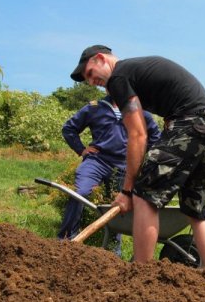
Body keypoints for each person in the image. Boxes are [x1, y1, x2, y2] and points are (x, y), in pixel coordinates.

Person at [70, 45, 205, 269]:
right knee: (196, 208)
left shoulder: (118, 77)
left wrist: (127, 191)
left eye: (90, 74)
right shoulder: (135, 71)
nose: (92, 82)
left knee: (144, 194)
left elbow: (138, 134)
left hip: (189, 124)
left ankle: (141, 274)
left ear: (101, 59)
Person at [58, 95, 161, 255]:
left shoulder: (140, 111)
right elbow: (69, 129)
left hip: (123, 166)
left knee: (118, 205)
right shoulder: (94, 107)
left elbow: (155, 138)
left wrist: (142, 160)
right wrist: (81, 149)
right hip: (97, 161)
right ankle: (65, 239)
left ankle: (113, 250)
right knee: (81, 193)